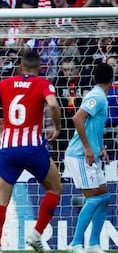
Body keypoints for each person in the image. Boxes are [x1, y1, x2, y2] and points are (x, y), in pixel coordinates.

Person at [0, 50, 63, 253]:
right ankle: (36, 234)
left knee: (1, 199)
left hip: (8, 148)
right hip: (33, 147)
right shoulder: (42, 83)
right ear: (40, 67)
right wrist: (57, 128)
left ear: (20, 67)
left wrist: (0, 122)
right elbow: (52, 104)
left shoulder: (5, 83)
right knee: (55, 188)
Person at [64, 63, 113, 253]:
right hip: (79, 155)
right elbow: (77, 118)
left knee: (104, 197)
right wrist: (87, 148)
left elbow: (93, 126)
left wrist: (100, 148)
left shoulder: (99, 95)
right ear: (112, 79)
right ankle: (75, 244)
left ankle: (93, 244)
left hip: (90, 154)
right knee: (93, 198)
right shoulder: (96, 96)